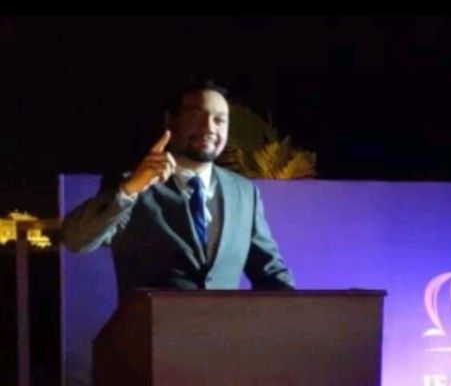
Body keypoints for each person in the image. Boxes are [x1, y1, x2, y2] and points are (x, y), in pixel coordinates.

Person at [60, 80, 296, 297]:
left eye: (219, 120)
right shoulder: (133, 185)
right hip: (152, 327)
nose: (209, 128)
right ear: (170, 122)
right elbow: (75, 240)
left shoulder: (243, 192)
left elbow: (270, 272)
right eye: (196, 116)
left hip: (224, 329)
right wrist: (129, 190)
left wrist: (300, 313)